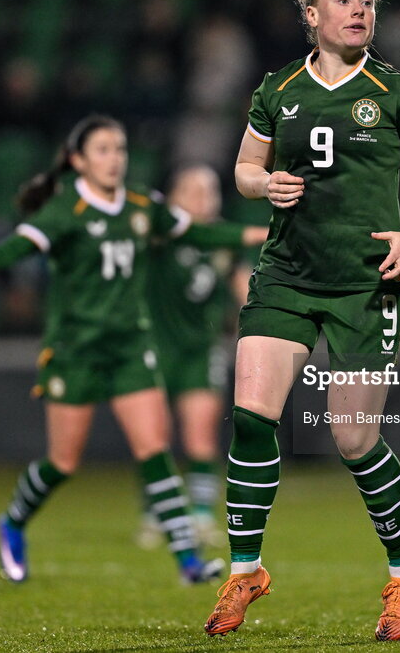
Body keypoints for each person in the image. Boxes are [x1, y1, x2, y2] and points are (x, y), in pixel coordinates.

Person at [203, 0, 400, 642]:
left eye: (367, 0)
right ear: (311, 15)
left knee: (352, 436)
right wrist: (264, 187)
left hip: (367, 283)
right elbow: (245, 169)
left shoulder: (396, 90)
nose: (358, 9)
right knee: (252, 416)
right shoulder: (278, 88)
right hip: (286, 273)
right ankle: (246, 568)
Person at [0, 114, 260, 585]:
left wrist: (264, 233)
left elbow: (198, 232)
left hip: (130, 348)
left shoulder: (140, 203)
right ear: (77, 160)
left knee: (154, 448)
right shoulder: (66, 210)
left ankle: (188, 561)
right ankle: (13, 521)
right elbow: (12, 250)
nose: (114, 159)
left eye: (119, 149)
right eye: (102, 150)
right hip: (75, 352)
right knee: (64, 462)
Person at [139, 164, 264, 549]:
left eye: (209, 190)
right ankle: (157, 512)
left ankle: (202, 515)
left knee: (201, 432)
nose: (203, 198)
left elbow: (243, 286)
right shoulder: (160, 234)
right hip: (155, 346)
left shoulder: (225, 240)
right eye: (193, 190)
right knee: (153, 436)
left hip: (200, 347)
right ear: (175, 197)